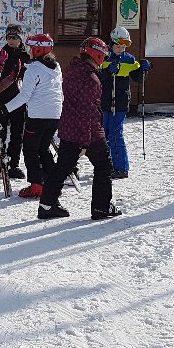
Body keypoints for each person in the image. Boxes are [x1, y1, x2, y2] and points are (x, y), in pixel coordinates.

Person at [38, 37, 121, 220]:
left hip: (68, 127)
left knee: (62, 166)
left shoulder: (72, 69)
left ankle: (47, 205)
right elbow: (86, 111)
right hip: (88, 132)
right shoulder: (91, 80)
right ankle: (102, 208)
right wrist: (84, 142)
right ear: (98, 55)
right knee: (103, 165)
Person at [0, 33, 62, 198]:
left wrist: (2, 110)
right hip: (54, 115)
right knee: (44, 149)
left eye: (31, 48)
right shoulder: (56, 67)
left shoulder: (33, 69)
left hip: (37, 116)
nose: (28, 51)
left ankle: (37, 186)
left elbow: (24, 96)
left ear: (37, 50)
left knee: (30, 150)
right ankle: (53, 183)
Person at [99, 26, 152, 179]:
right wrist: (108, 71)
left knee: (116, 134)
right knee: (105, 134)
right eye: (118, 46)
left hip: (120, 103)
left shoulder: (129, 59)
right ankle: (108, 164)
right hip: (105, 102)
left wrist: (144, 68)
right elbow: (96, 75)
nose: (121, 49)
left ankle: (121, 168)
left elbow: (139, 78)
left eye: (124, 47)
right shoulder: (103, 57)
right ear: (112, 43)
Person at [0, 24, 29, 180]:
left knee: (17, 134)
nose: (11, 41)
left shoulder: (26, 57)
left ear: (20, 39)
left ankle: (14, 164)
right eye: (9, 37)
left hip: (19, 100)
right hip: (1, 100)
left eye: (15, 38)